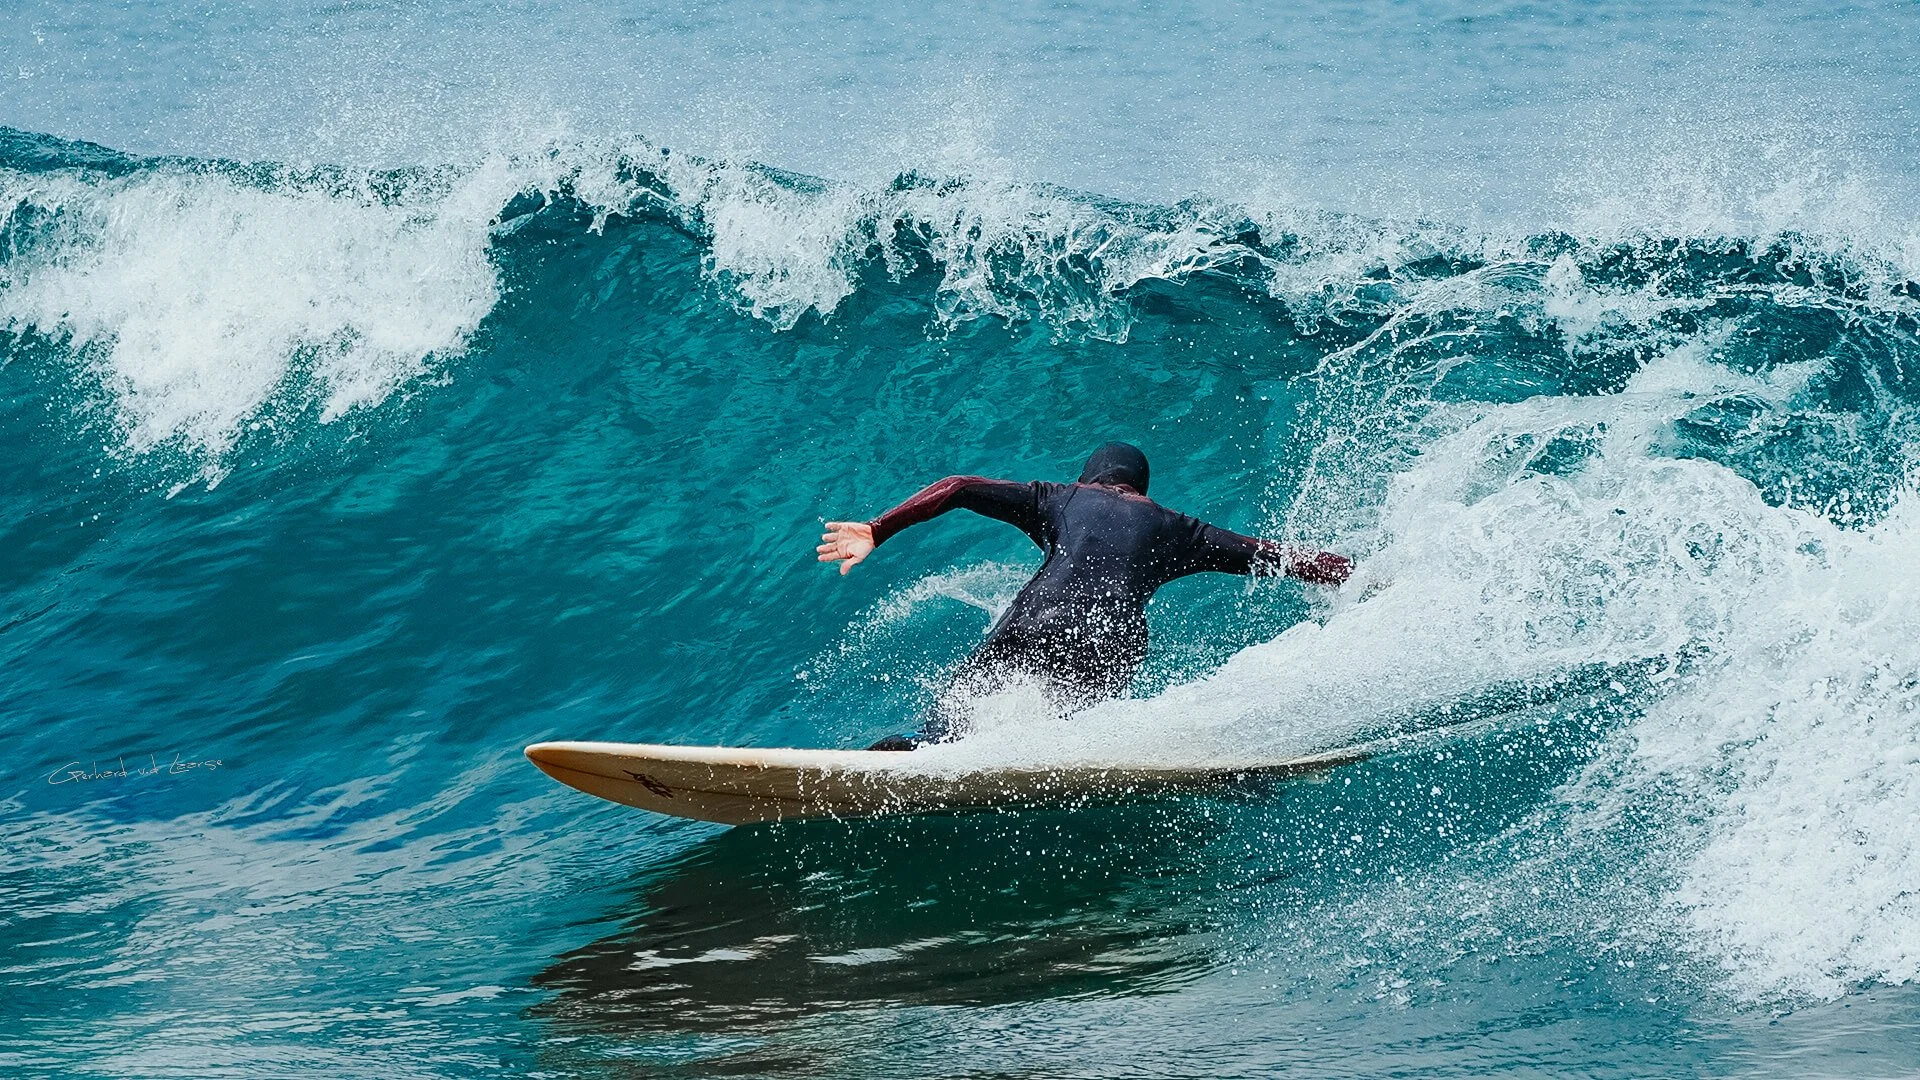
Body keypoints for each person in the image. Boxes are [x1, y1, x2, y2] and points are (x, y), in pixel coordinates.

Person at [817, 442, 1352, 749]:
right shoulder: (1180, 529)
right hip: (1110, 646)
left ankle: (920, 749)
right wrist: (1363, 575)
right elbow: (1279, 556)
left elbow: (958, 486)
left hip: (1038, 620)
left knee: (954, 719)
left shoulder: (1061, 497)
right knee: (1068, 725)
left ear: (1090, 476)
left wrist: (877, 529)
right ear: (1140, 488)